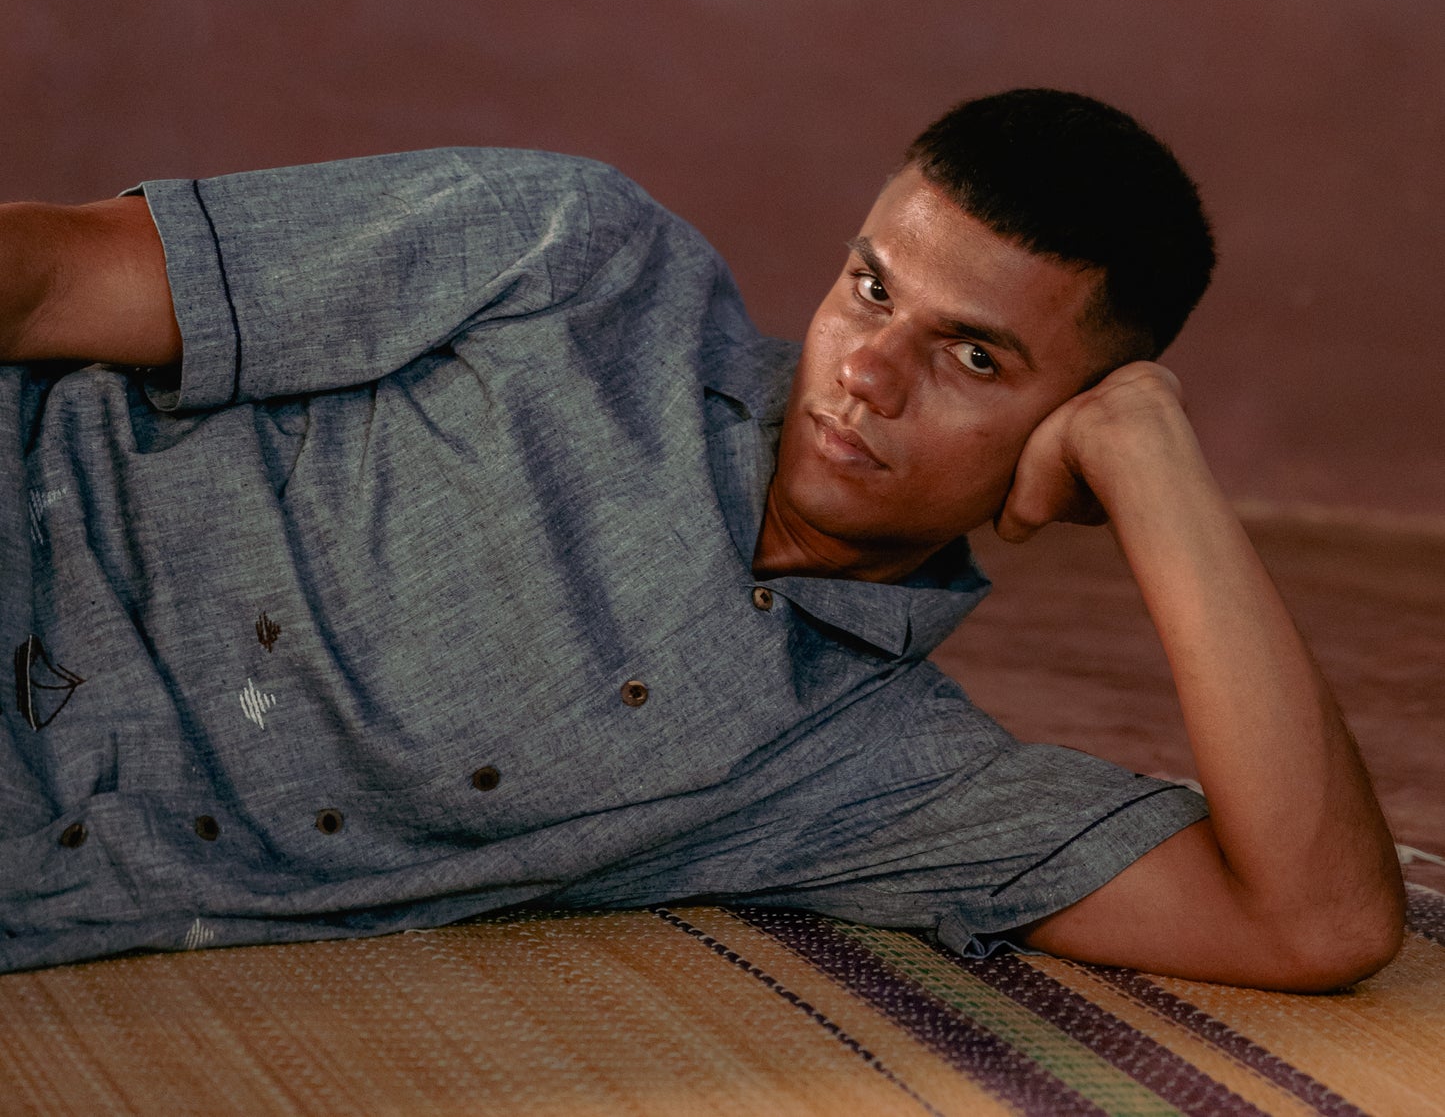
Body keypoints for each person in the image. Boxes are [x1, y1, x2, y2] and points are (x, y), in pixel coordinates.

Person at [0, 89, 1403, 984]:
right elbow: (50, 278)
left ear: (1073, 418)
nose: (862, 371)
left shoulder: (863, 767)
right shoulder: (569, 260)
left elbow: (1318, 924)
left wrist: (1155, 466)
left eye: (971, 359)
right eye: (869, 288)